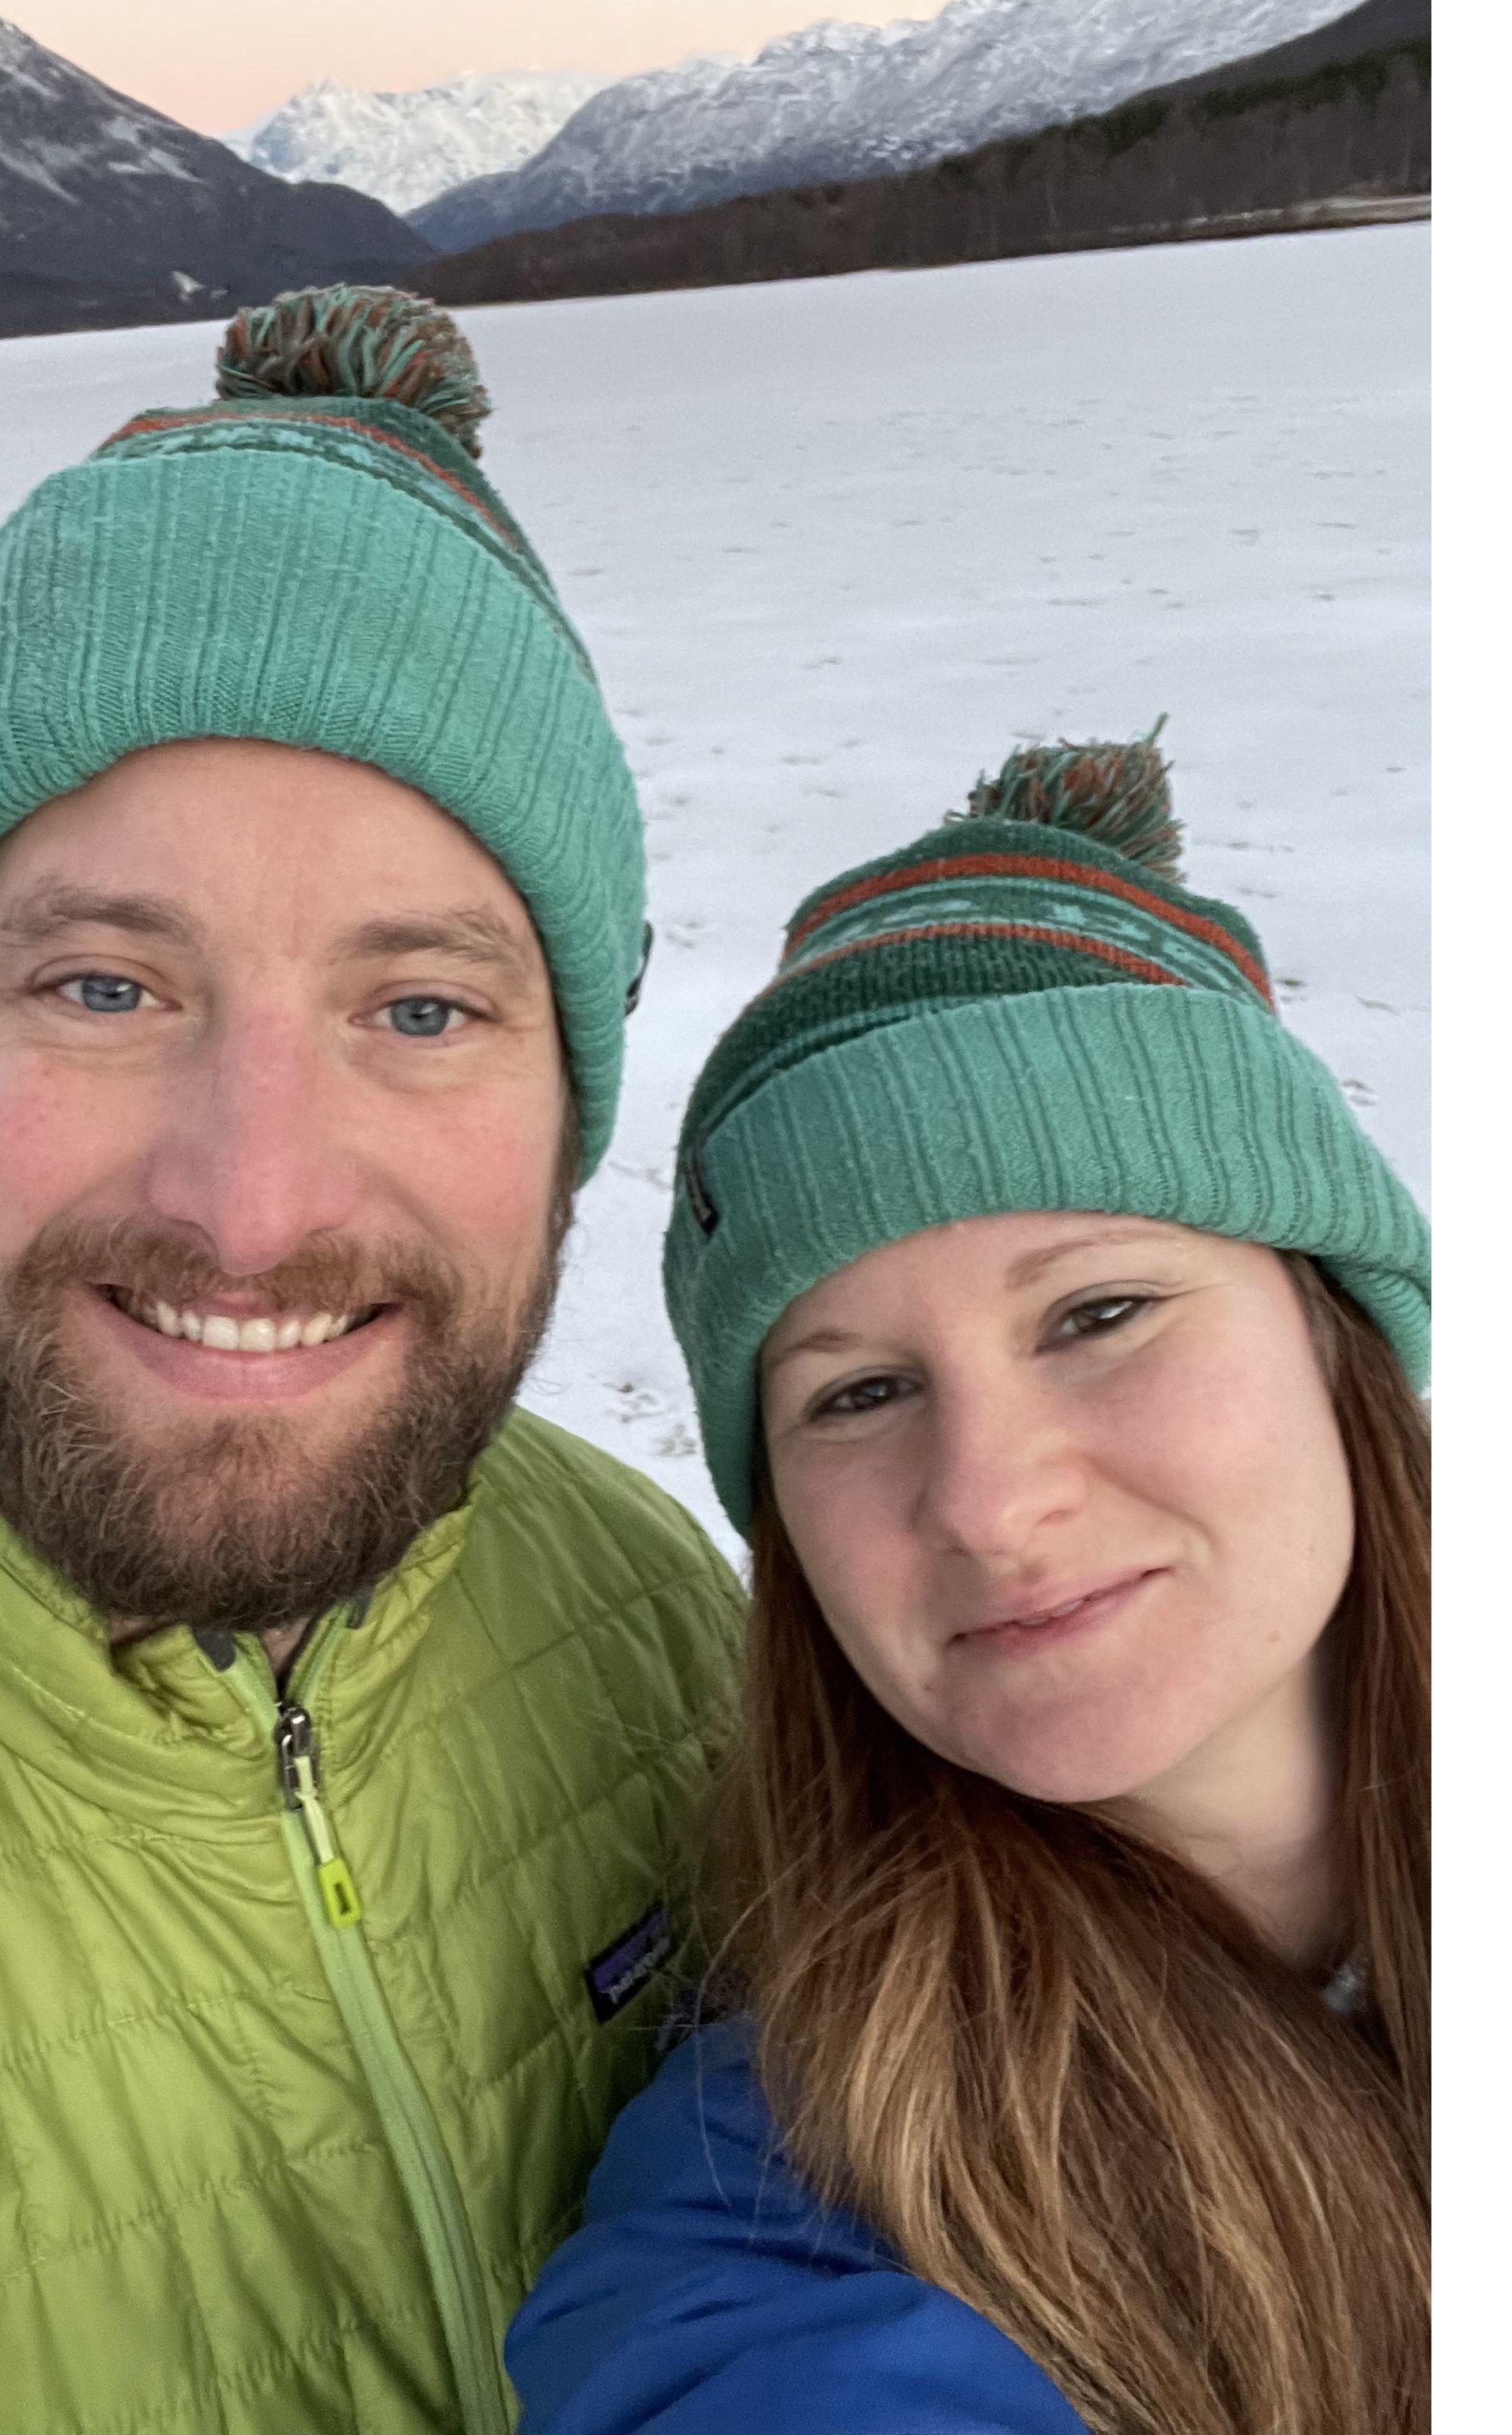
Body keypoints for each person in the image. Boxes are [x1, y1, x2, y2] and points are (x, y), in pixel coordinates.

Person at [0, 289, 745, 2435]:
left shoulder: (664, 1632)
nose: (252, 1203)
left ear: (569, 1109)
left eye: (420, 1010)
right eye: (109, 987)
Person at [507, 733, 1431, 2435]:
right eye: (854, 1392)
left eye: (1096, 1312)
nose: (991, 1504)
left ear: (1332, 1334)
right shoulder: (781, 2205)